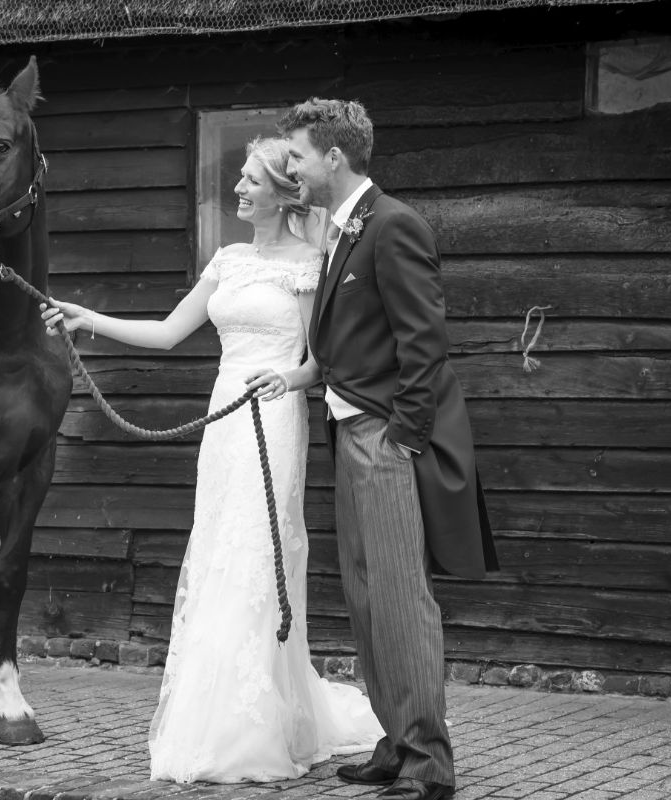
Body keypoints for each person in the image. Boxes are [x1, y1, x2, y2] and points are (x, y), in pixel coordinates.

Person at [39, 137, 383, 783]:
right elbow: (169, 332)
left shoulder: (310, 264)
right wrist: (89, 319)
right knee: (219, 547)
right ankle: (213, 713)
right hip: (222, 422)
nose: (238, 190)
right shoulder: (227, 260)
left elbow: (319, 361)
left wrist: (288, 378)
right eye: (239, 179)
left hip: (271, 416)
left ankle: (251, 726)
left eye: (251, 181)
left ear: (283, 193)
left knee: (255, 553)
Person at [273, 99, 500, 800]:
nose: (291, 168)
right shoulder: (345, 228)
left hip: (384, 439)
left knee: (401, 601)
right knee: (367, 599)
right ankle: (395, 740)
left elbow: (424, 344)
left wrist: (403, 437)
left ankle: (429, 761)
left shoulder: (393, 223)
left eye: (298, 156)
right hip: (350, 434)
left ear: (334, 156)